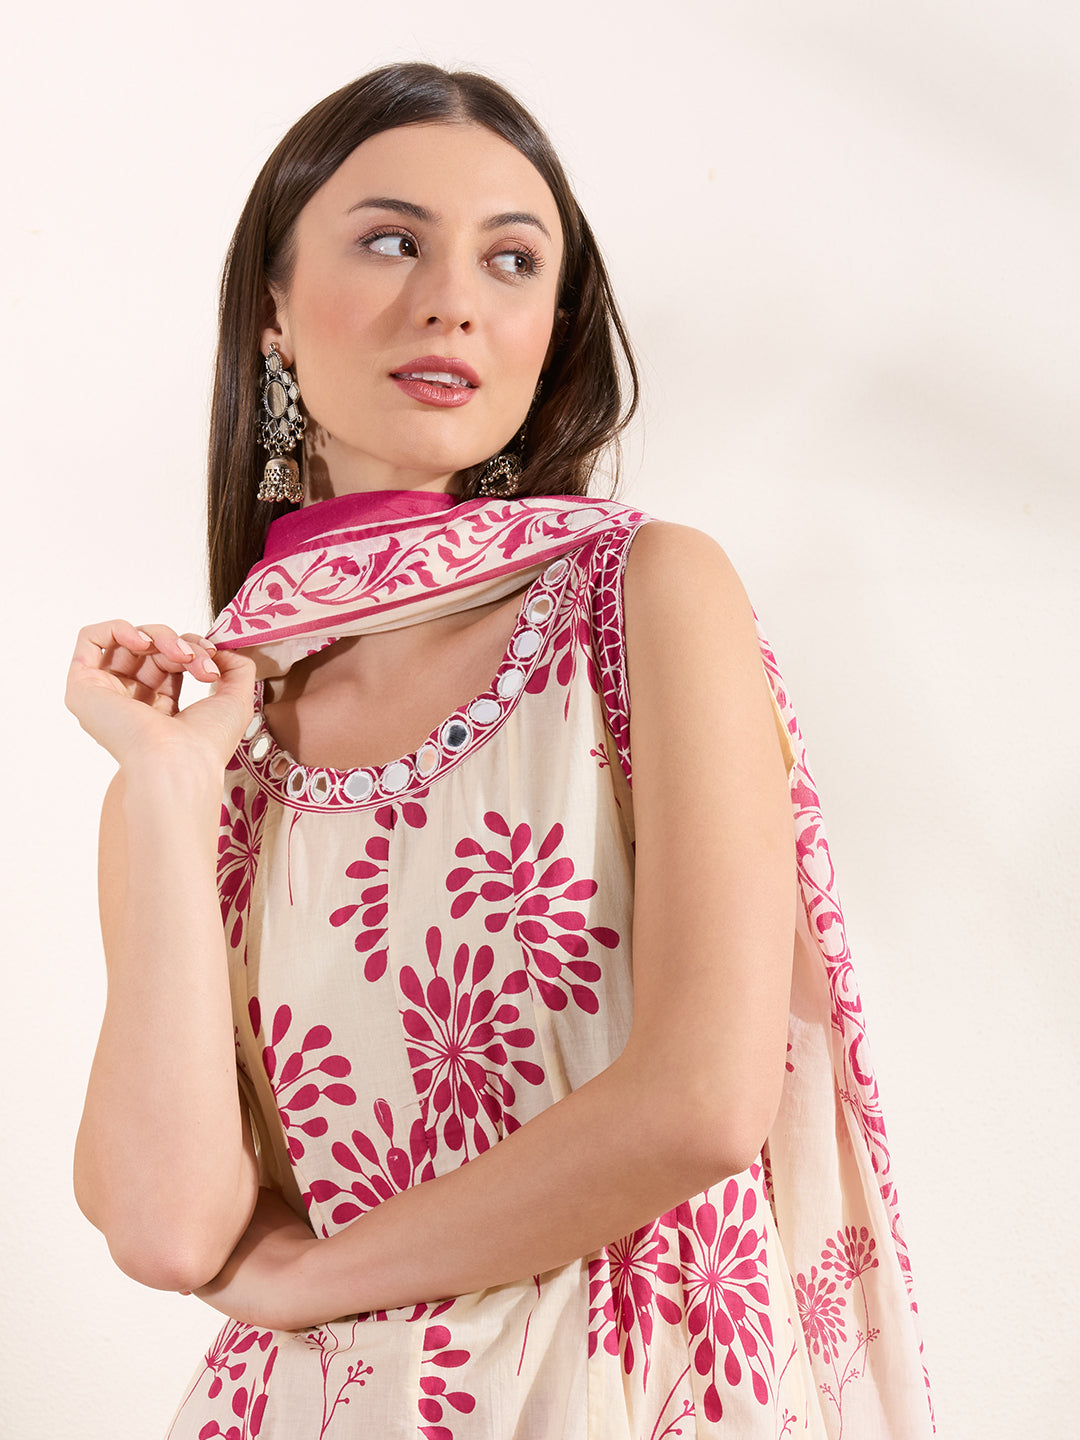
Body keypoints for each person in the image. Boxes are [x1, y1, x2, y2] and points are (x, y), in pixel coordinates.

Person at [65, 63, 933, 1439]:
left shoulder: (640, 598)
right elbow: (171, 1229)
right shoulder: (198, 750)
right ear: (273, 311)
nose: (453, 299)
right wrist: (167, 788)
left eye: (512, 259)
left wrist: (311, 1282)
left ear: (550, 331)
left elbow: (705, 1102)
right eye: (390, 240)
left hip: (625, 1386)